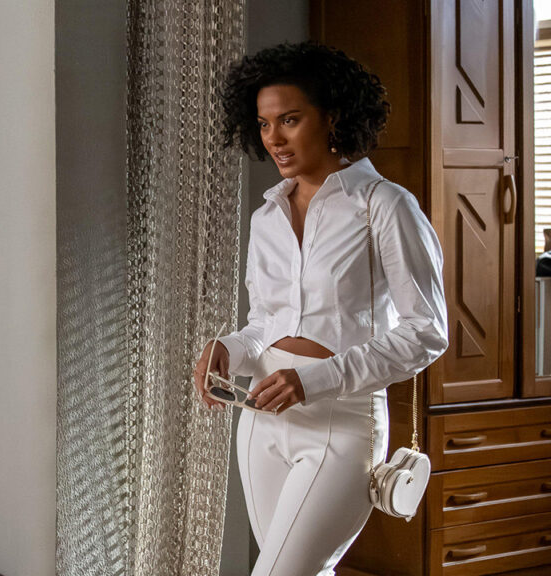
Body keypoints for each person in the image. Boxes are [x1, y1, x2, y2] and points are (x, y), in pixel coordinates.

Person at [192, 43, 448, 576]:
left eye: (289, 119)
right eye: (264, 124)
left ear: (332, 116)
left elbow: (426, 331)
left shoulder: (384, 205)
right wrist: (228, 349)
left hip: (342, 420)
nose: (274, 138)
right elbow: (266, 323)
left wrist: (313, 380)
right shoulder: (267, 216)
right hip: (260, 418)